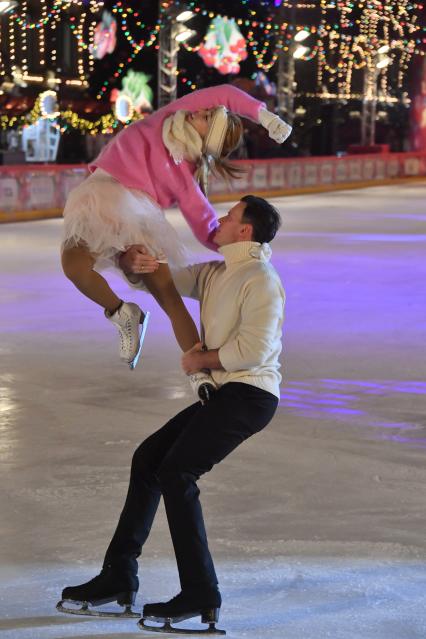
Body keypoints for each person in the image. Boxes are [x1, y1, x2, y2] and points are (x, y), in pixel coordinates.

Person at [57, 194, 285, 634]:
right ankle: (119, 576)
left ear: (246, 232)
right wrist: (135, 262)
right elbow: (168, 279)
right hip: (226, 394)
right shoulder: (218, 272)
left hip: (250, 395)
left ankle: (201, 591)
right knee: (149, 460)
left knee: (177, 472)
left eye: (231, 216)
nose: (219, 219)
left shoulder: (259, 277)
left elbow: (256, 350)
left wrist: (204, 359)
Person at [60, 84, 291, 399]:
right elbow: (225, 92)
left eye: (206, 116)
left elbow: (210, 229)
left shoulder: (184, 178)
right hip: (97, 193)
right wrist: (264, 116)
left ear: (208, 137)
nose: (199, 110)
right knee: (73, 266)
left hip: (137, 216)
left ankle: (200, 375)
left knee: (168, 296)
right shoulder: (167, 119)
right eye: (205, 110)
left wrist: (250, 252)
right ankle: (122, 313)